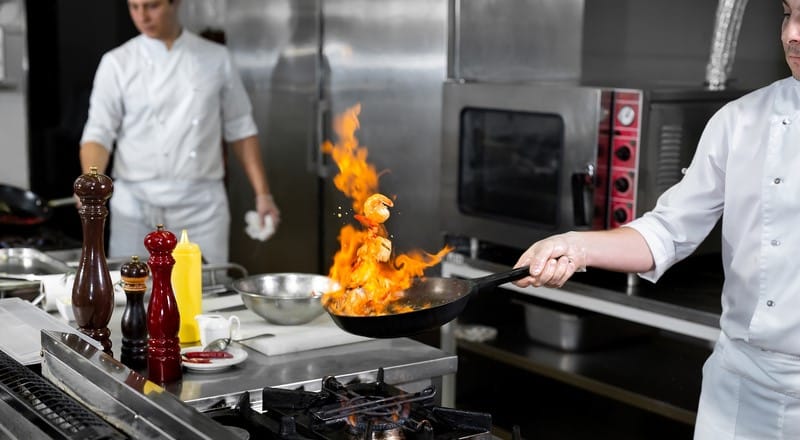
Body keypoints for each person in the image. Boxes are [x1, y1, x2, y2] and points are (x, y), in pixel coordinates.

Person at [513, 1, 800, 438]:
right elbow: (668, 230)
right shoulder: (739, 121)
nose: (792, 34)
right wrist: (575, 245)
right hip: (740, 390)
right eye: (787, 14)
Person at [78, 0, 280, 264]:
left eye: (152, 6)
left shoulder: (216, 58)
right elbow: (99, 132)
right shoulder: (117, 63)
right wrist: (90, 186)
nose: (142, 17)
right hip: (135, 207)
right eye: (134, 7)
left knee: (205, 293)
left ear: (175, 4)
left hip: (201, 208)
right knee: (135, 295)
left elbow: (241, 128)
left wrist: (263, 194)